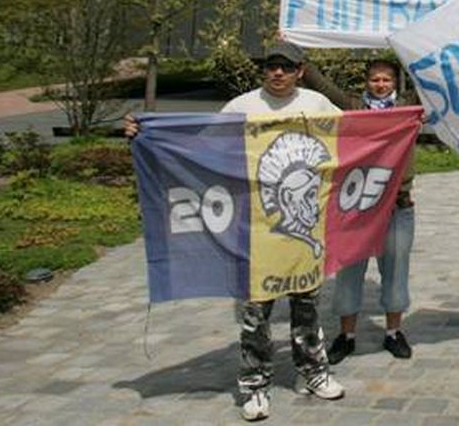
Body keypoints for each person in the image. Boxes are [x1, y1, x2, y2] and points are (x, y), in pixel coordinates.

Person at [125, 41, 345, 422]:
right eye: (271, 66)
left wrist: (408, 120)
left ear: (300, 70)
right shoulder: (241, 106)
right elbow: (200, 148)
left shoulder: (318, 104)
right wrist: (144, 132)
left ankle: (313, 372)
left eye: (286, 67)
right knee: (255, 314)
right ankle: (254, 385)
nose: (277, 73)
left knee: (307, 309)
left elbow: (355, 134)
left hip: (303, 233)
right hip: (254, 234)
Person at [300, 58, 420, 364]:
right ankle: (346, 335)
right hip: (356, 208)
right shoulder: (353, 106)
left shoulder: (409, 108)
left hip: (396, 206)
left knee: (395, 271)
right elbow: (324, 87)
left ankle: (394, 332)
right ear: (367, 82)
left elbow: (433, 81)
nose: (381, 85)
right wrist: (301, 58)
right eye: (375, 80)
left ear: (396, 83)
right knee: (349, 271)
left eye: (387, 80)